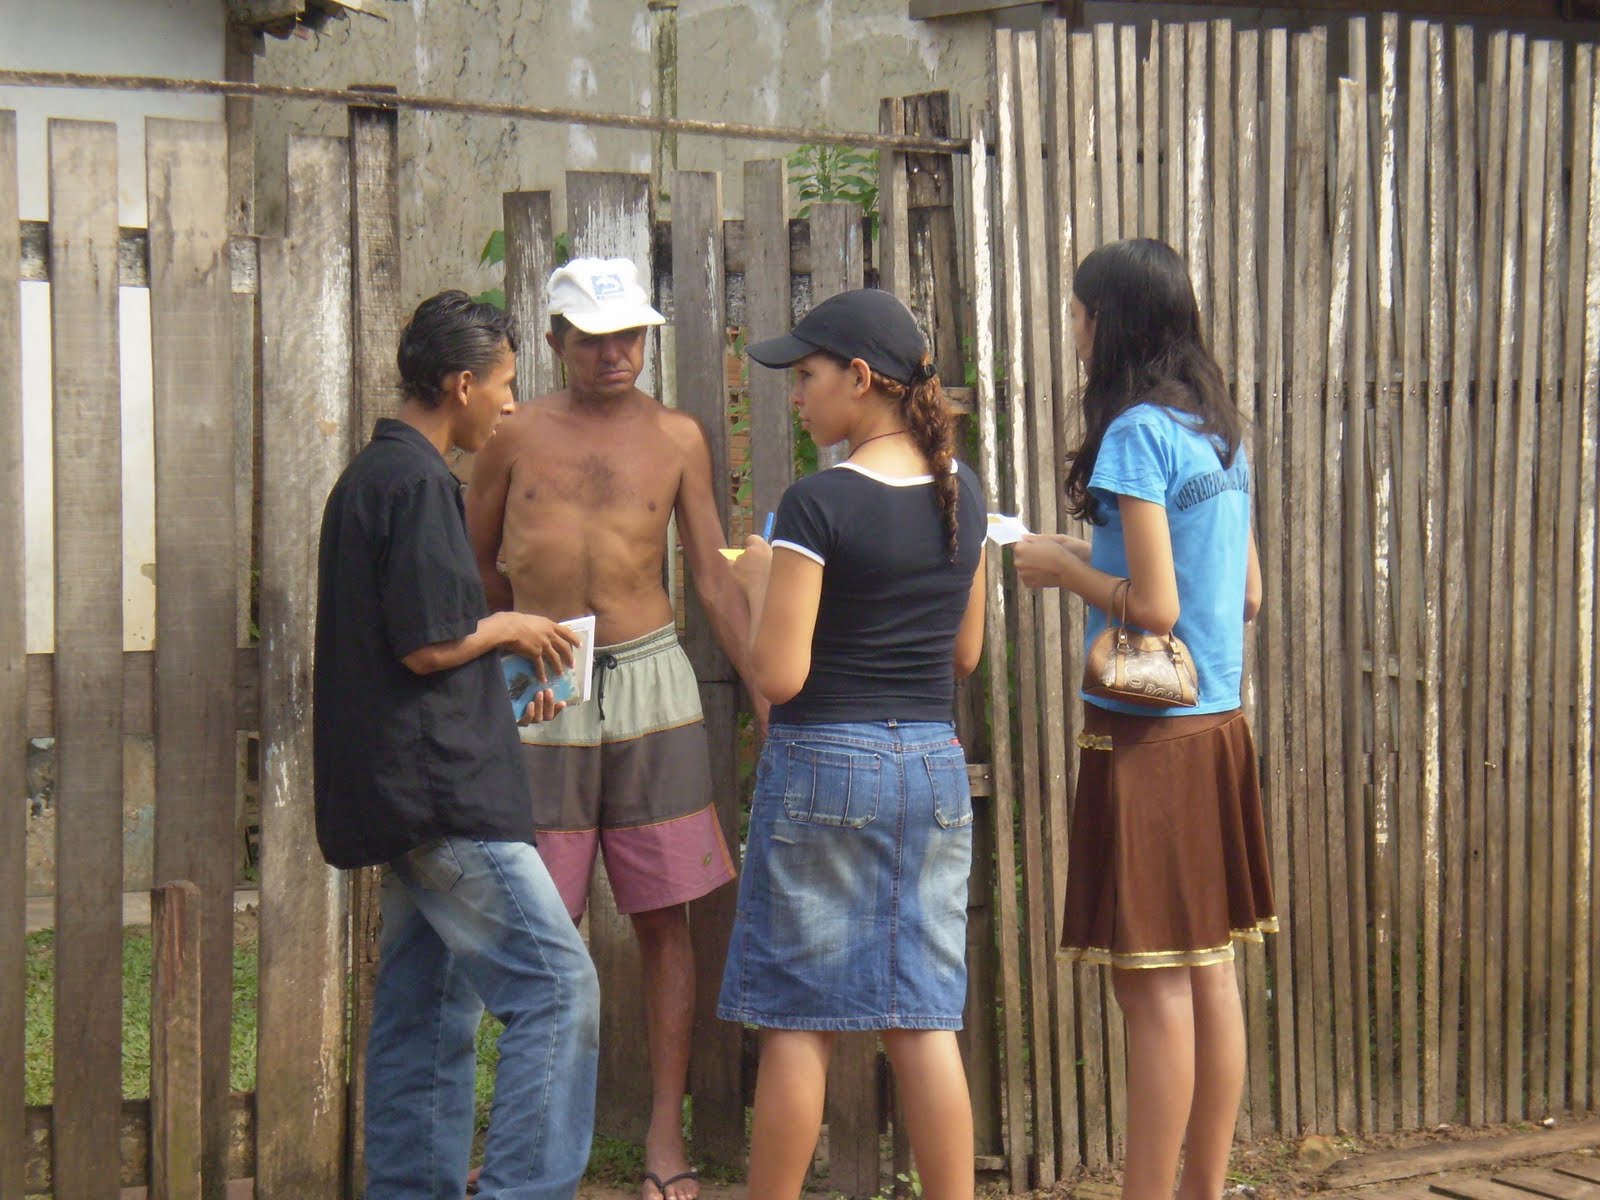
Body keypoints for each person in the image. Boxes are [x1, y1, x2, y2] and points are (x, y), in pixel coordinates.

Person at [464, 257, 758, 1200]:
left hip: (650, 684)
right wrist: (494, 671)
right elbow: (475, 565)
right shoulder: (512, 437)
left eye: (628, 335)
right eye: (591, 338)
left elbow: (712, 572)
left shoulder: (677, 437)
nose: (613, 354)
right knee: (534, 919)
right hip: (538, 684)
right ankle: (524, 1136)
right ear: (553, 341)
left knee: (665, 914)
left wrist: (763, 689)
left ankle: (664, 1136)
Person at [313, 291, 600, 1200]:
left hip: (402, 786)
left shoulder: (369, 477)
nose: (512, 406)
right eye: (506, 386)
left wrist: (499, 697)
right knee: (556, 991)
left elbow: (411, 658)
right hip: (445, 803)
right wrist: (512, 627)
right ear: (461, 383)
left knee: (425, 1012)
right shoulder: (421, 483)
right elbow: (431, 642)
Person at [1011, 238, 1276, 1200]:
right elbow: (1244, 594)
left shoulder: (1134, 436)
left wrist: (1060, 568)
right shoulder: (1218, 431)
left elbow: (1155, 607)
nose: (1074, 331)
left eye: (1080, 314)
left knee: (1152, 985)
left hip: (1147, 739)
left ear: (1110, 321)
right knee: (1209, 974)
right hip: (1218, 727)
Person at [716, 288, 987, 1200]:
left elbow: (781, 676)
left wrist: (757, 581)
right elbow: (966, 652)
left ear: (860, 379)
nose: (797, 397)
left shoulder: (815, 504)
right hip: (933, 768)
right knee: (923, 1018)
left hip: (827, 763)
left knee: (800, 1018)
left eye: (808, 377)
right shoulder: (966, 494)